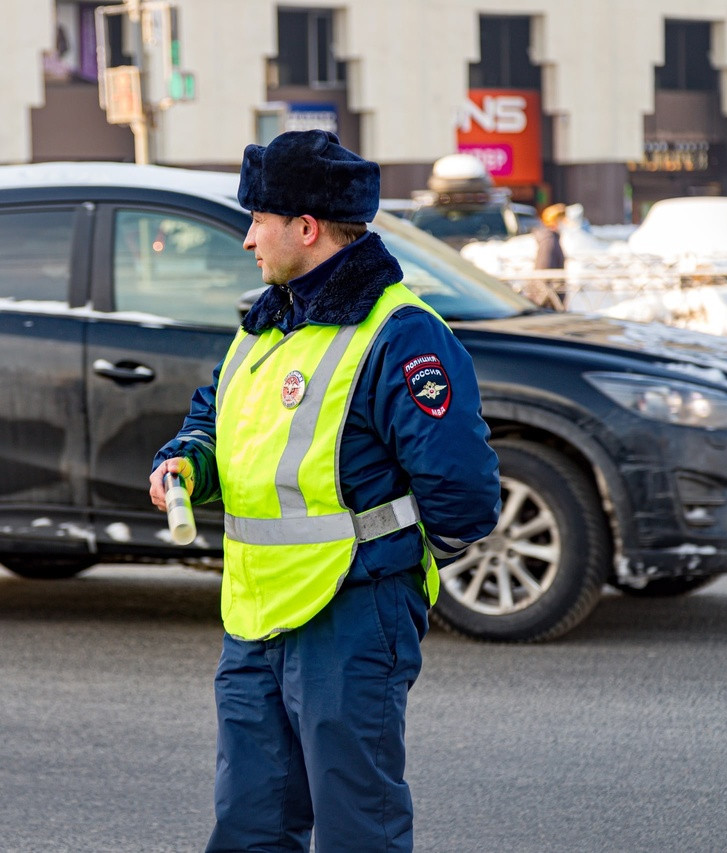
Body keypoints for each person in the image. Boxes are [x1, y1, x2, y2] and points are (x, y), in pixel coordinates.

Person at [148, 130, 501, 852]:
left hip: (352, 610)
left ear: (306, 229)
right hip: (255, 614)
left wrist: (391, 567)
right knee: (250, 825)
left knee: (356, 829)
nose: (247, 239)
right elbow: (215, 419)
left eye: (259, 221)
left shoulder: (401, 334)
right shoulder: (266, 319)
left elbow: (463, 495)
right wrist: (187, 461)